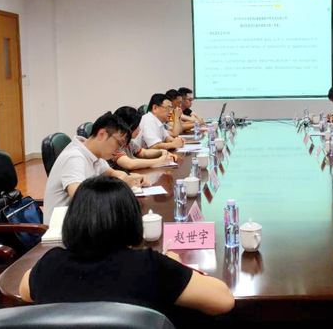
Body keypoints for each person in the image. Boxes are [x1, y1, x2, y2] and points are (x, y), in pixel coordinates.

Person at [20, 176, 235, 322]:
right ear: (131, 219)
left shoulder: (51, 263)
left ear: (73, 219)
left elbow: (24, 290)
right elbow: (223, 300)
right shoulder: (150, 266)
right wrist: (174, 265)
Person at [42, 112, 150, 225]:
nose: (119, 150)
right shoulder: (74, 157)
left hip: (84, 218)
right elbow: (79, 196)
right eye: (119, 143)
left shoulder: (94, 154)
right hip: (63, 227)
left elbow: (114, 173)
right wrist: (121, 183)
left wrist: (134, 178)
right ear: (102, 134)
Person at [112, 106, 177, 170]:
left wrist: (161, 152)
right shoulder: (114, 145)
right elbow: (130, 164)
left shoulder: (129, 142)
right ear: (129, 126)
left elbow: (143, 153)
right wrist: (160, 161)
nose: (139, 129)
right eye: (137, 126)